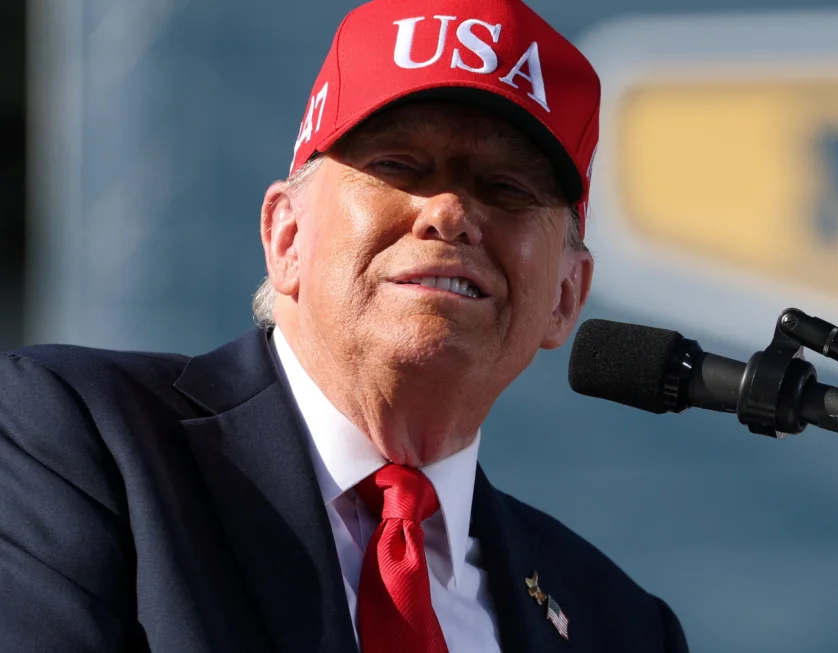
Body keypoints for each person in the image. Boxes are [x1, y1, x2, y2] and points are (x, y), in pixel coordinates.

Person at [0, 1, 689, 651]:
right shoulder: (79, 442)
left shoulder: (618, 623)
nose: (448, 212)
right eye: (399, 165)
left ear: (566, 295)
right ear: (286, 235)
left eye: (506, 187)